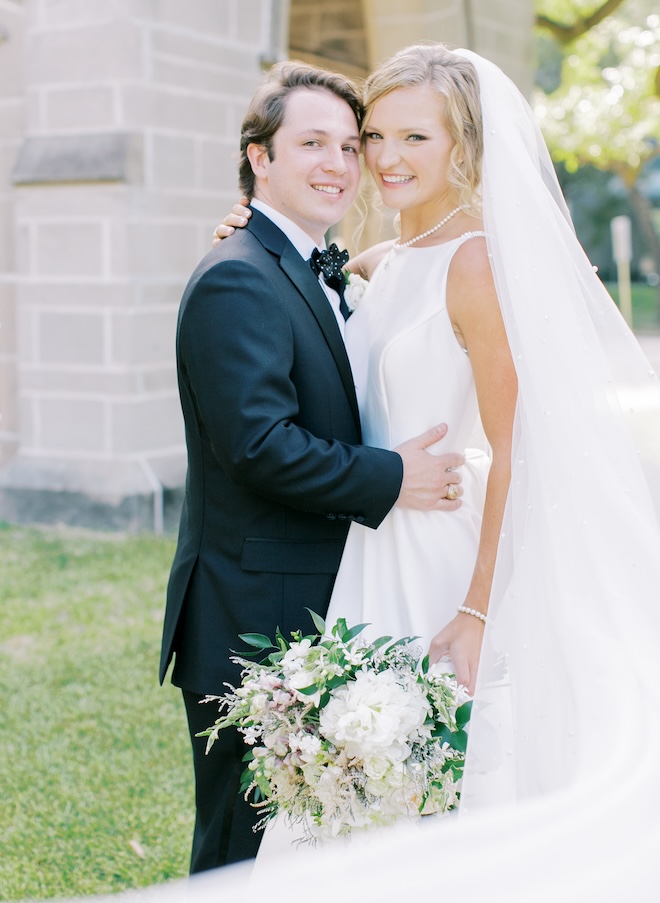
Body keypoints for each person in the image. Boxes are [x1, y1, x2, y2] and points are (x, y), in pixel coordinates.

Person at [213, 41, 660, 864]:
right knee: (352, 794)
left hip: (443, 562)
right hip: (366, 544)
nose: (383, 158)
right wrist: (253, 225)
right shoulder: (379, 263)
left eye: (416, 138)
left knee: (438, 793)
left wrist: (479, 609)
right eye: (373, 136)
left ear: (464, 146)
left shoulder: (478, 263)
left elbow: (522, 447)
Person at [159, 61, 466, 874]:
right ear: (259, 156)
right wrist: (392, 476)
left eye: (347, 144)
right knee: (241, 849)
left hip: (323, 592)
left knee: (313, 847)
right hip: (254, 611)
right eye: (311, 144)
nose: (338, 163)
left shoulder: (322, 265)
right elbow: (260, 445)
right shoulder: (239, 278)